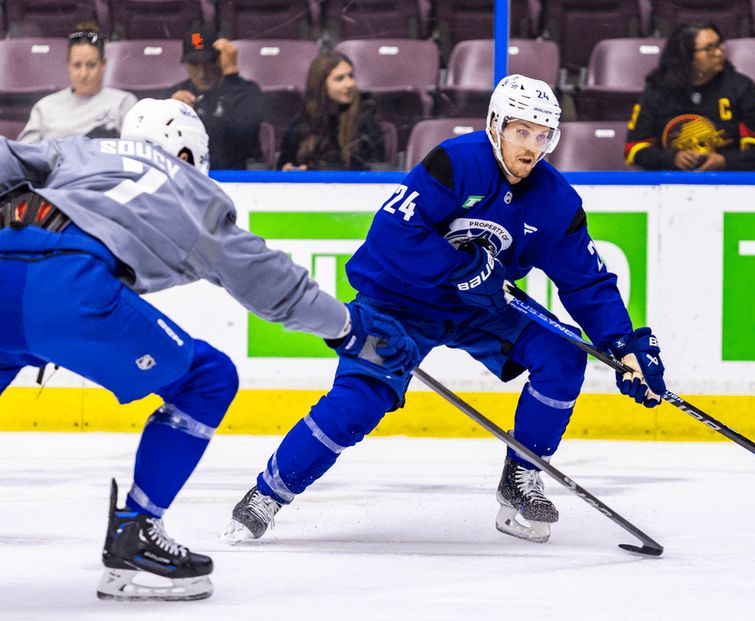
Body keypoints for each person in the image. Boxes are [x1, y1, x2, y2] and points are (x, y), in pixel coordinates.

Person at [223, 75, 668, 547]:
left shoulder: (556, 201)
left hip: (480, 306)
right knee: (360, 402)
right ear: (495, 126)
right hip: (397, 301)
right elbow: (392, 236)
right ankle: (267, 494)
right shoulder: (455, 163)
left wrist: (623, 346)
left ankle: (521, 478)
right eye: (522, 131)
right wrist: (460, 266)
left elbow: (588, 282)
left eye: (544, 136)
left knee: (562, 354)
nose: (532, 147)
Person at [0, 98, 417, 601]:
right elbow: (274, 285)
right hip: (74, 288)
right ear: (187, 152)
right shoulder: (196, 193)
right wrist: (348, 329)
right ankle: (138, 533)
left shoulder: (82, 151)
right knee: (207, 378)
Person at [624, 22, 755, 171]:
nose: (719, 53)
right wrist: (671, 158)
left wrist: (726, 161)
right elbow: (634, 149)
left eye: (719, 45)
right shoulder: (657, 91)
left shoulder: (742, 87)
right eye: (709, 49)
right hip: (669, 184)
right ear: (687, 55)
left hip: (730, 185)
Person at [18, 23, 137, 143]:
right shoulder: (44, 108)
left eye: (91, 65)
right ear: (68, 65)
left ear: (103, 65)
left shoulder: (123, 103)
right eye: (77, 65)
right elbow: (24, 154)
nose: (83, 74)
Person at [168, 27, 264, 169]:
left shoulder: (247, 91)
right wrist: (171, 112)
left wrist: (231, 75)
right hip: (187, 176)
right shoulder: (173, 96)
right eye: (194, 64)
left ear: (221, 60)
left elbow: (246, 133)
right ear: (185, 64)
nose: (202, 73)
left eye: (209, 62)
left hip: (237, 178)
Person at [278, 52, 385, 171]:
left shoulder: (366, 119)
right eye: (340, 79)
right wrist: (290, 170)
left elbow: (374, 168)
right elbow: (283, 164)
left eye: (351, 76)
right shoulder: (301, 121)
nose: (349, 84)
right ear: (321, 84)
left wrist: (313, 170)